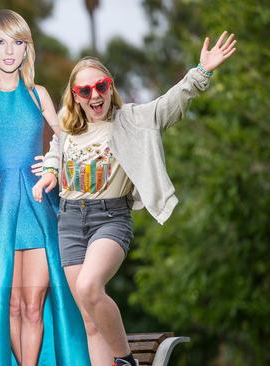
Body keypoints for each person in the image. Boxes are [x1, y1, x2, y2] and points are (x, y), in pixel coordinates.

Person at [33, 32, 237, 366]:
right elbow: (56, 151)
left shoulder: (131, 119)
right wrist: (50, 174)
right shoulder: (68, 129)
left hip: (110, 219)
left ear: (110, 86)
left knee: (89, 286)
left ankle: (126, 360)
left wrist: (202, 71)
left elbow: (171, 103)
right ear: (76, 96)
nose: (94, 95)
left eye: (101, 86)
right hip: (69, 221)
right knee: (89, 319)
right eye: (85, 91)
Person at [0, 9, 90, 365]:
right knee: (11, 304)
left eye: (17, 42)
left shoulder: (38, 94)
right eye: (0, 42)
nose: (8, 51)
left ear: (26, 49)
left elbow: (70, 144)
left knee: (34, 304)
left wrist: (52, 167)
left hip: (37, 204)